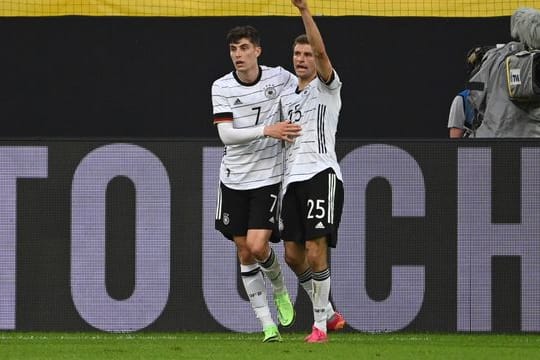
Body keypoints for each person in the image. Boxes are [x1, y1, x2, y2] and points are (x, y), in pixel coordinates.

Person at [211, 25, 302, 342]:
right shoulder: (221, 87)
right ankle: (268, 326)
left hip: (268, 177)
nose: (239, 55)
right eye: (234, 49)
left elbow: (306, 89)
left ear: (257, 51)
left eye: (244, 48)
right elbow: (226, 135)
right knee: (244, 252)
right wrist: (268, 130)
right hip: (233, 179)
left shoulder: (279, 78)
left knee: (258, 245)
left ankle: (279, 287)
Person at [279, 0, 346, 343]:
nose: (303, 59)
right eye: (298, 54)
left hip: (321, 173)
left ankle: (319, 325)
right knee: (292, 255)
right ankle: (330, 313)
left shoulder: (327, 87)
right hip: (292, 181)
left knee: (317, 249)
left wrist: (304, 10)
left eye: (307, 54)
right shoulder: (287, 98)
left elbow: (322, 53)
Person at [469, 7, 540, 137]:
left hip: (490, 136)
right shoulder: (535, 61)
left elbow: (475, 90)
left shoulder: (492, 55)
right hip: (527, 142)